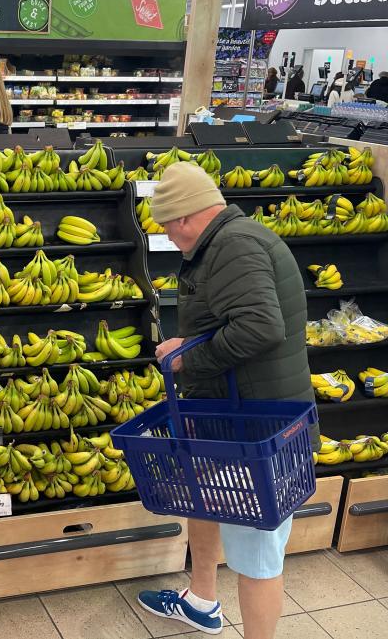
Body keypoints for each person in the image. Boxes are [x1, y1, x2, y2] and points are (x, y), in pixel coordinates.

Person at [136, 163, 314, 639]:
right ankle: (200, 601)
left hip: (259, 427)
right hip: (233, 412)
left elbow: (260, 327)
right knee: (208, 501)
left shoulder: (233, 246)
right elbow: (237, 320)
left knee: (257, 553)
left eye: (168, 230)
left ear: (183, 218)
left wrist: (187, 359)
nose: (170, 240)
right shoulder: (230, 240)